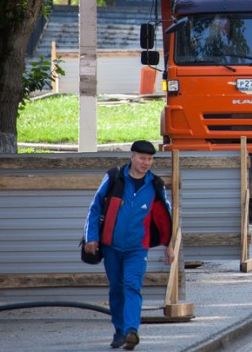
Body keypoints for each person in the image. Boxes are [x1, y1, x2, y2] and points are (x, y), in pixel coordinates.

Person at [83, 140, 174, 350]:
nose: (146, 163)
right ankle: (120, 331)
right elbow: (95, 207)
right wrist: (91, 238)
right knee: (116, 289)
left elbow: (167, 217)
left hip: (137, 249)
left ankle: (132, 330)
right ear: (132, 157)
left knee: (132, 286)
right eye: (142, 158)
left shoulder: (155, 185)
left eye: (150, 159)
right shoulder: (114, 177)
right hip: (111, 246)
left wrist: (169, 245)